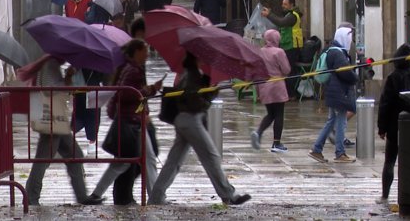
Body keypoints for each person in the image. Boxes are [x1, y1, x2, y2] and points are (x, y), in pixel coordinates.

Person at [149, 53, 251, 206]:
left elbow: (197, 96)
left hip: (184, 120)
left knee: (174, 161)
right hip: (191, 120)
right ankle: (229, 194)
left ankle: (156, 197)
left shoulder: (192, 74)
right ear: (196, 57)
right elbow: (195, 102)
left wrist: (210, 88)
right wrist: (209, 94)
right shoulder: (192, 76)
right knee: (211, 156)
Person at [83, 39, 162, 205]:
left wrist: (151, 89)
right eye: (145, 51)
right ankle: (97, 194)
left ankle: (156, 197)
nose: (148, 54)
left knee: (147, 159)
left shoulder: (133, 68)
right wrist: (147, 90)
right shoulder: (133, 70)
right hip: (131, 122)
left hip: (136, 121)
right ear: (137, 52)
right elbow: (124, 94)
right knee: (123, 162)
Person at [22, 55, 101, 206]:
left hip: (58, 120)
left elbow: (59, 89)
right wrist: (68, 78)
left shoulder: (52, 64)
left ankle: (82, 196)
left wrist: (68, 78)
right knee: (43, 159)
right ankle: (31, 197)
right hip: (53, 119)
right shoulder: (49, 64)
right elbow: (50, 89)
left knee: (75, 155)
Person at [376, 43, 410, 205]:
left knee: (390, 161)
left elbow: (385, 104)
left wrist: (382, 128)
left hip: (396, 127)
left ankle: (385, 195)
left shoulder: (393, 78)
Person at [308, 25, 358, 163]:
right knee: (340, 122)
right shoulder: (338, 53)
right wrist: (355, 77)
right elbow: (345, 71)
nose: (350, 41)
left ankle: (317, 149)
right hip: (339, 94)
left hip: (333, 92)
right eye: (349, 38)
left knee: (331, 122)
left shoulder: (332, 50)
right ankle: (340, 153)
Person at [250, 29, 291, 153]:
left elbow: (255, 73)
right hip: (277, 86)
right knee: (279, 114)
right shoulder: (279, 52)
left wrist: (257, 91)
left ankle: (258, 132)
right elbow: (286, 70)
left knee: (270, 114)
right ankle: (276, 143)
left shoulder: (259, 52)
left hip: (264, 86)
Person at [262, 0, 304, 99]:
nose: (283, 6)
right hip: (287, 45)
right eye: (282, 4)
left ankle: (291, 94)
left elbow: (281, 22)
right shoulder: (288, 15)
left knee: (289, 71)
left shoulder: (293, 16)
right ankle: (289, 93)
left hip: (292, 47)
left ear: (291, 5)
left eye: (285, 4)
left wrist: (269, 15)